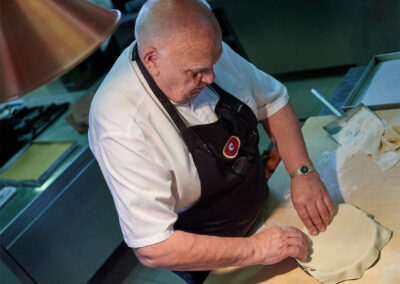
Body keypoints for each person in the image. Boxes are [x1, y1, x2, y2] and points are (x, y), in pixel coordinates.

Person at [88, 0, 335, 283]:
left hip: (263, 210)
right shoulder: (122, 124)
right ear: (152, 60)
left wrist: (302, 171)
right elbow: (153, 247)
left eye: (213, 63)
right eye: (195, 73)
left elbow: (272, 100)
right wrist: (257, 248)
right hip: (210, 256)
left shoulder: (199, 49)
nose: (211, 77)